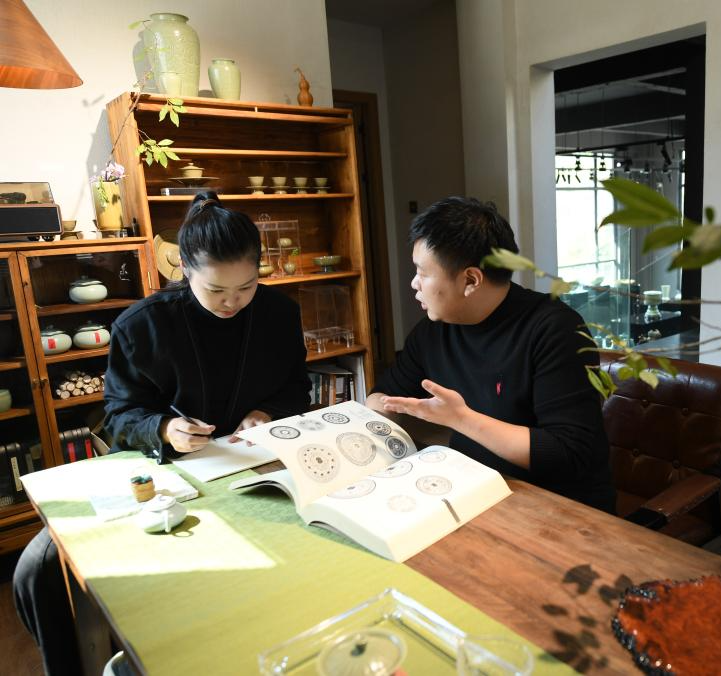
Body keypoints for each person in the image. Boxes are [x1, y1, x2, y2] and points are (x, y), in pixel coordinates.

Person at [14, 192, 310, 675]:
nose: (232, 301)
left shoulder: (278, 313)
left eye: (246, 286)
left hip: (254, 467)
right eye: (216, 290)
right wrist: (165, 428)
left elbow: (297, 387)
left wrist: (265, 412)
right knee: (40, 567)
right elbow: (118, 414)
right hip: (169, 472)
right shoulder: (143, 325)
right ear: (184, 270)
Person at [367, 197, 614, 512]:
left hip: (559, 507)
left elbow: (568, 453)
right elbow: (381, 397)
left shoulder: (556, 329)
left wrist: (459, 419)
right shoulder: (434, 330)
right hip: (476, 490)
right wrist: (386, 414)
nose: (414, 284)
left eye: (423, 273)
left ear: (471, 280)